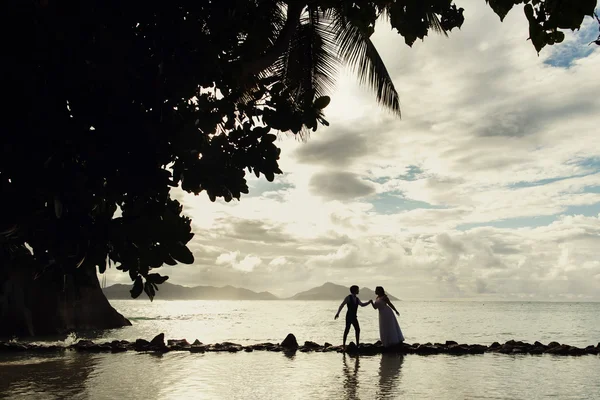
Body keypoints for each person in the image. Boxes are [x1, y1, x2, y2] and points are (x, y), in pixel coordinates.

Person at [334, 285, 372, 349]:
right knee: (347, 330)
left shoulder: (357, 299)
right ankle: (343, 344)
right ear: (354, 290)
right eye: (357, 289)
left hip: (354, 317)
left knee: (357, 329)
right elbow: (342, 305)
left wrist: (369, 302)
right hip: (349, 316)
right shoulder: (348, 297)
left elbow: (362, 305)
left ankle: (357, 344)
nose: (358, 291)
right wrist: (338, 313)